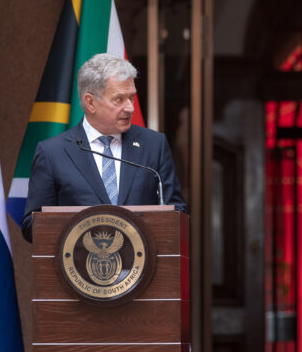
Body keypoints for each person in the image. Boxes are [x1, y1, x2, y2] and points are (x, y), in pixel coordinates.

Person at [22, 53, 187, 242]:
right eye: (119, 99)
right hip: (78, 266)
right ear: (90, 102)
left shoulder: (153, 145)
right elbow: (31, 226)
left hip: (144, 267)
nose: (130, 108)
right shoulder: (53, 153)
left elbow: (178, 213)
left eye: (131, 98)